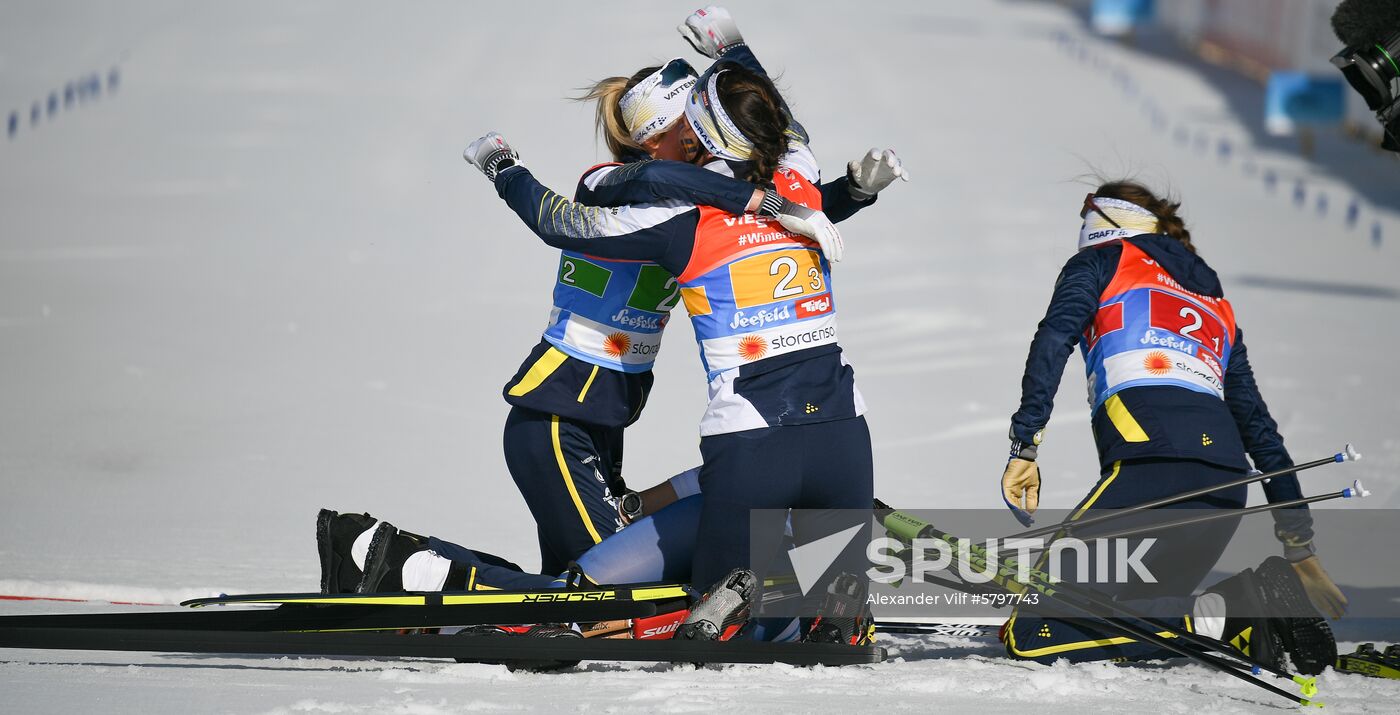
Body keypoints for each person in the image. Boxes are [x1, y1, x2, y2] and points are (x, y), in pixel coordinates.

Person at [318, 7, 907, 609]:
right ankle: (390, 563)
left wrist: (846, 193)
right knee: (610, 595)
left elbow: (779, 205)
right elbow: (585, 211)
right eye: (693, 128)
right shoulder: (623, 187)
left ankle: (416, 572)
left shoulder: (693, 208)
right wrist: (504, 166)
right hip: (554, 413)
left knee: (584, 583)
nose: (710, 138)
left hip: (602, 417)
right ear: (660, 138)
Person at [998, 180, 1347, 673]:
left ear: (1105, 221)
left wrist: (1025, 445)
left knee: (1033, 632)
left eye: (1083, 217)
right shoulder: (1216, 304)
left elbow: (1053, 340)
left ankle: (1231, 615)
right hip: (1226, 486)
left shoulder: (1101, 261)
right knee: (1133, 621)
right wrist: (1299, 545)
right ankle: (1229, 616)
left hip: (1153, 473)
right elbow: (1262, 434)